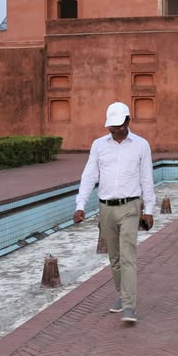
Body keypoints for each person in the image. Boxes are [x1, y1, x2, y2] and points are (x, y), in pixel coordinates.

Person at [74, 102, 156, 323]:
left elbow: (147, 178)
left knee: (128, 256)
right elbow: (89, 176)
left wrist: (149, 209)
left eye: (119, 126)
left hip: (130, 206)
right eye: (112, 127)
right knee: (115, 257)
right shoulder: (99, 145)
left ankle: (129, 305)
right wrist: (80, 205)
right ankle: (122, 294)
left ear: (128, 121)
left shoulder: (141, 145)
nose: (115, 130)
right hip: (106, 208)